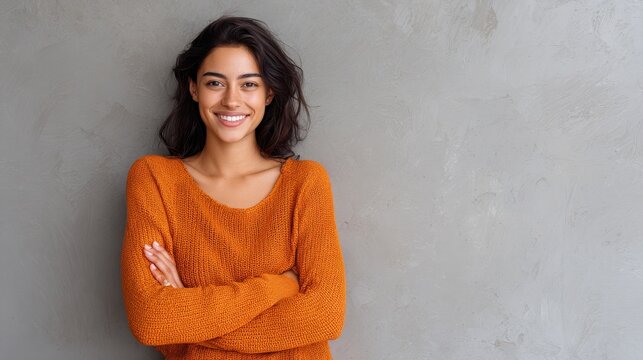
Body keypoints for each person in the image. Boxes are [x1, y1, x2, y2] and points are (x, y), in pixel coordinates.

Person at [120, 16, 346, 359]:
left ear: (269, 93)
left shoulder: (305, 183)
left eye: (249, 84)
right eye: (215, 83)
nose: (231, 100)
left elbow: (325, 316)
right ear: (193, 88)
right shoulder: (153, 180)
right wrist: (279, 285)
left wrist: (189, 313)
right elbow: (151, 320)